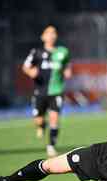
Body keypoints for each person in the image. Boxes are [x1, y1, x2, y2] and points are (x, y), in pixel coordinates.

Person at [22, 25, 72, 157]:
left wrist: (67, 71)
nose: (51, 36)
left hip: (57, 91)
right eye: (48, 33)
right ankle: (41, 126)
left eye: (54, 33)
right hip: (40, 92)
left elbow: (67, 64)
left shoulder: (63, 52)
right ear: (43, 37)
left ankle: (51, 146)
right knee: (38, 120)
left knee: (54, 118)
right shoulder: (36, 52)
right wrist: (31, 71)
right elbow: (26, 66)